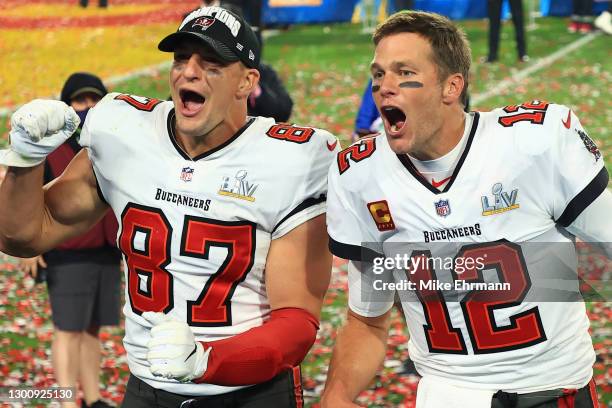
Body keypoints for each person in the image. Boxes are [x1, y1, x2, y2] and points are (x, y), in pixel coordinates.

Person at [0, 6, 336, 408]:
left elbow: (296, 321)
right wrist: (25, 162)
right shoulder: (126, 132)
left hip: (249, 392)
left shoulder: (289, 159)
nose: (188, 73)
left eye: (211, 63)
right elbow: (22, 236)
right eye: (181, 58)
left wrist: (206, 361)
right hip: (147, 388)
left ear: (246, 81)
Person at [322, 10, 609, 408]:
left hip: (552, 390)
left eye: (404, 73)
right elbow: (368, 318)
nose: (384, 88)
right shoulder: (362, 176)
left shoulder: (534, 144)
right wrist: (335, 396)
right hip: (447, 395)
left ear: (451, 86)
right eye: (378, 75)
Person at [17, 73, 121, 408]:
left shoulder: (112, 149)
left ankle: (93, 398)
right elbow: (27, 200)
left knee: (92, 329)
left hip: (106, 253)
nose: (88, 107)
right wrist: (29, 250)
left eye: (94, 100)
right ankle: (65, 400)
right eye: (80, 101)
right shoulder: (52, 150)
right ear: (67, 107)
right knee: (68, 329)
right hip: (68, 254)